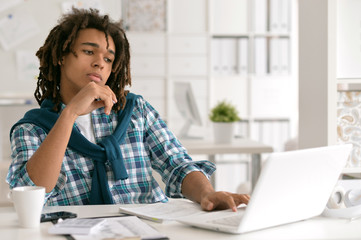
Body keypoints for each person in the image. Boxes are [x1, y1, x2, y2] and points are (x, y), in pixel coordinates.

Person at [6, 8, 249, 211]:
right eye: (89, 51)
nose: (99, 62)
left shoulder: (135, 110)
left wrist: (207, 193)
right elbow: (32, 193)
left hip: (149, 229)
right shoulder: (32, 128)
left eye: (109, 59)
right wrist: (69, 114)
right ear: (61, 56)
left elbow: (176, 164)